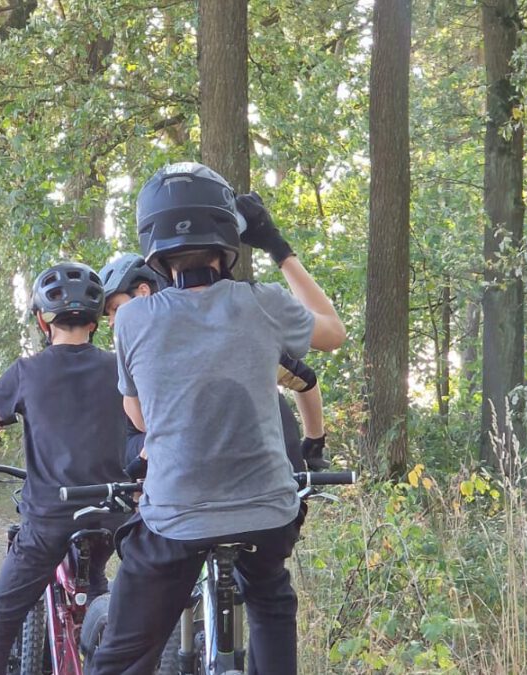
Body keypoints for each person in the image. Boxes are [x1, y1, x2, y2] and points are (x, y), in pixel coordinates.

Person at [89, 162, 346, 675]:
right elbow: (333, 332)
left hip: (176, 517)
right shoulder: (264, 303)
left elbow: (137, 414)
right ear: (228, 238)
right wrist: (276, 245)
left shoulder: (135, 318)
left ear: (153, 247)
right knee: (270, 594)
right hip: (268, 513)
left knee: (121, 656)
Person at [0, 262, 128, 675]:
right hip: (114, 514)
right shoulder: (119, 367)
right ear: (97, 321)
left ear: (41, 319)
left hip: (50, 519)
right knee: (99, 577)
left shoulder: (28, 372)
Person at [98, 253, 331, 473]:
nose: (111, 322)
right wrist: (314, 438)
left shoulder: (225, 334)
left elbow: (304, 378)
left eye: (116, 309)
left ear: (143, 292)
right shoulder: (144, 353)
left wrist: (313, 442)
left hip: (265, 459)